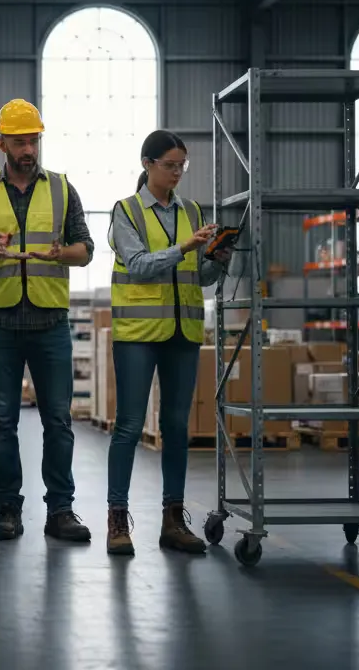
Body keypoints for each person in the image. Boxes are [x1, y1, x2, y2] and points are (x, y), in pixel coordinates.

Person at [0, 98, 95, 543]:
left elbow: (85, 250)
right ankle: (8, 509)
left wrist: (61, 253)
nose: (29, 150)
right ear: (2, 143)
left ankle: (61, 510)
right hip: (1, 322)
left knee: (58, 420)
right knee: (3, 422)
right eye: (20, 142)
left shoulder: (62, 189)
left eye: (34, 140)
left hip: (50, 321)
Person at [104, 129, 232, 556]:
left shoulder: (192, 211)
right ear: (147, 164)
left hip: (183, 332)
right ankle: (117, 519)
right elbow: (139, 264)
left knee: (177, 427)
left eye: (182, 166)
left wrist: (218, 258)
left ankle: (173, 519)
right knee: (128, 426)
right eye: (170, 165)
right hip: (138, 336)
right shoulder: (126, 211)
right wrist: (184, 247)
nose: (177, 173)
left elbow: (201, 277)